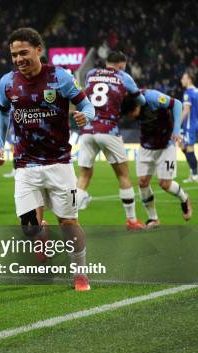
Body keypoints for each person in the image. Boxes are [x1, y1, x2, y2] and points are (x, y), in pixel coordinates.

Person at [0, 27, 95, 291]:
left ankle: (80, 272)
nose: (18, 59)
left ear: (39, 49)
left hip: (59, 164)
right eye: (14, 55)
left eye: (23, 52)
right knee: (29, 229)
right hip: (25, 166)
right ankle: (41, 230)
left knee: (69, 223)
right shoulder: (7, 82)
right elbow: (2, 112)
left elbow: (86, 104)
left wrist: (88, 116)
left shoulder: (60, 77)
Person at [76, 51, 147, 230]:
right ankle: (131, 220)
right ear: (122, 65)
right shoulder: (124, 77)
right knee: (123, 175)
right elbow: (141, 100)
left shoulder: (91, 73)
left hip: (87, 129)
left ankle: (69, 220)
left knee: (83, 176)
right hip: (108, 129)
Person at [124, 90, 192, 225]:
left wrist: (176, 130)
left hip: (166, 144)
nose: (131, 117)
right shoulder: (127, 101)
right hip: (146, 146)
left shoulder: (152, 98)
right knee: (143, 182)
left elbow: (177, 104)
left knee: (165, 184)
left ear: (137, 106)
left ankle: (184, 199)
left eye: (131, 113)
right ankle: (153, 218)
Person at [180, 71, 198, 183]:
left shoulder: (188, 93)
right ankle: (193, 173)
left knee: (189, 149)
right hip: (196, 123)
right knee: (182, 146)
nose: (182, 80)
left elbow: (186, 110)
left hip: (189, 125)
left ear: (190, 80)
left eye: (184, 78)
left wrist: (177, 123)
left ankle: (195, 175)